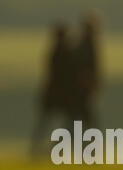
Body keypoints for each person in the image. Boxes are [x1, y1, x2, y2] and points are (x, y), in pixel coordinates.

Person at [31, 22, 74, 155]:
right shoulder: (64, 52)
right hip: (60, 95)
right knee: (70, 124)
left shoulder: (54, 51)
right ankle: (53, 149)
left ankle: (39, 149)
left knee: (44, 123)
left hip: (52, 94)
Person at [69, 12, 102, 130]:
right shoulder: (86, 45)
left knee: (78, 117)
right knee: (83, 117)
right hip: (81, 87)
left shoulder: (82, 44)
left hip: (82, 87)